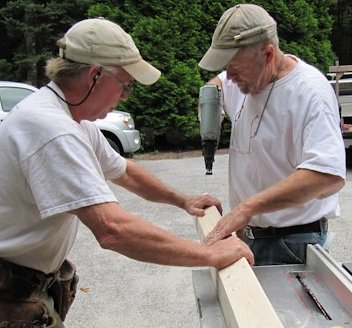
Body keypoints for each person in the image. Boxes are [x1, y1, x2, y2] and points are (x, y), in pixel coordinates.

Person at [0, 18, 254, 327]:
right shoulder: (52, 130)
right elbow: (113, 230)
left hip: (25, 284)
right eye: (125, 84)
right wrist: (210, 254)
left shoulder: (72, 121)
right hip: (9, 295)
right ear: (95, 75)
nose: (125, 96)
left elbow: (125, 172)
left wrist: (183, 200)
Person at [198, 3, 346, 265]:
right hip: (254, 237)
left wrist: (246, 208)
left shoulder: (308, 94)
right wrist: (209, 100)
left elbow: (327, 176)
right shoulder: (245, 79)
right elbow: (219, 83)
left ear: (267, 54)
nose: (229, 77)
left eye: (235, 68)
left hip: (292, 243)